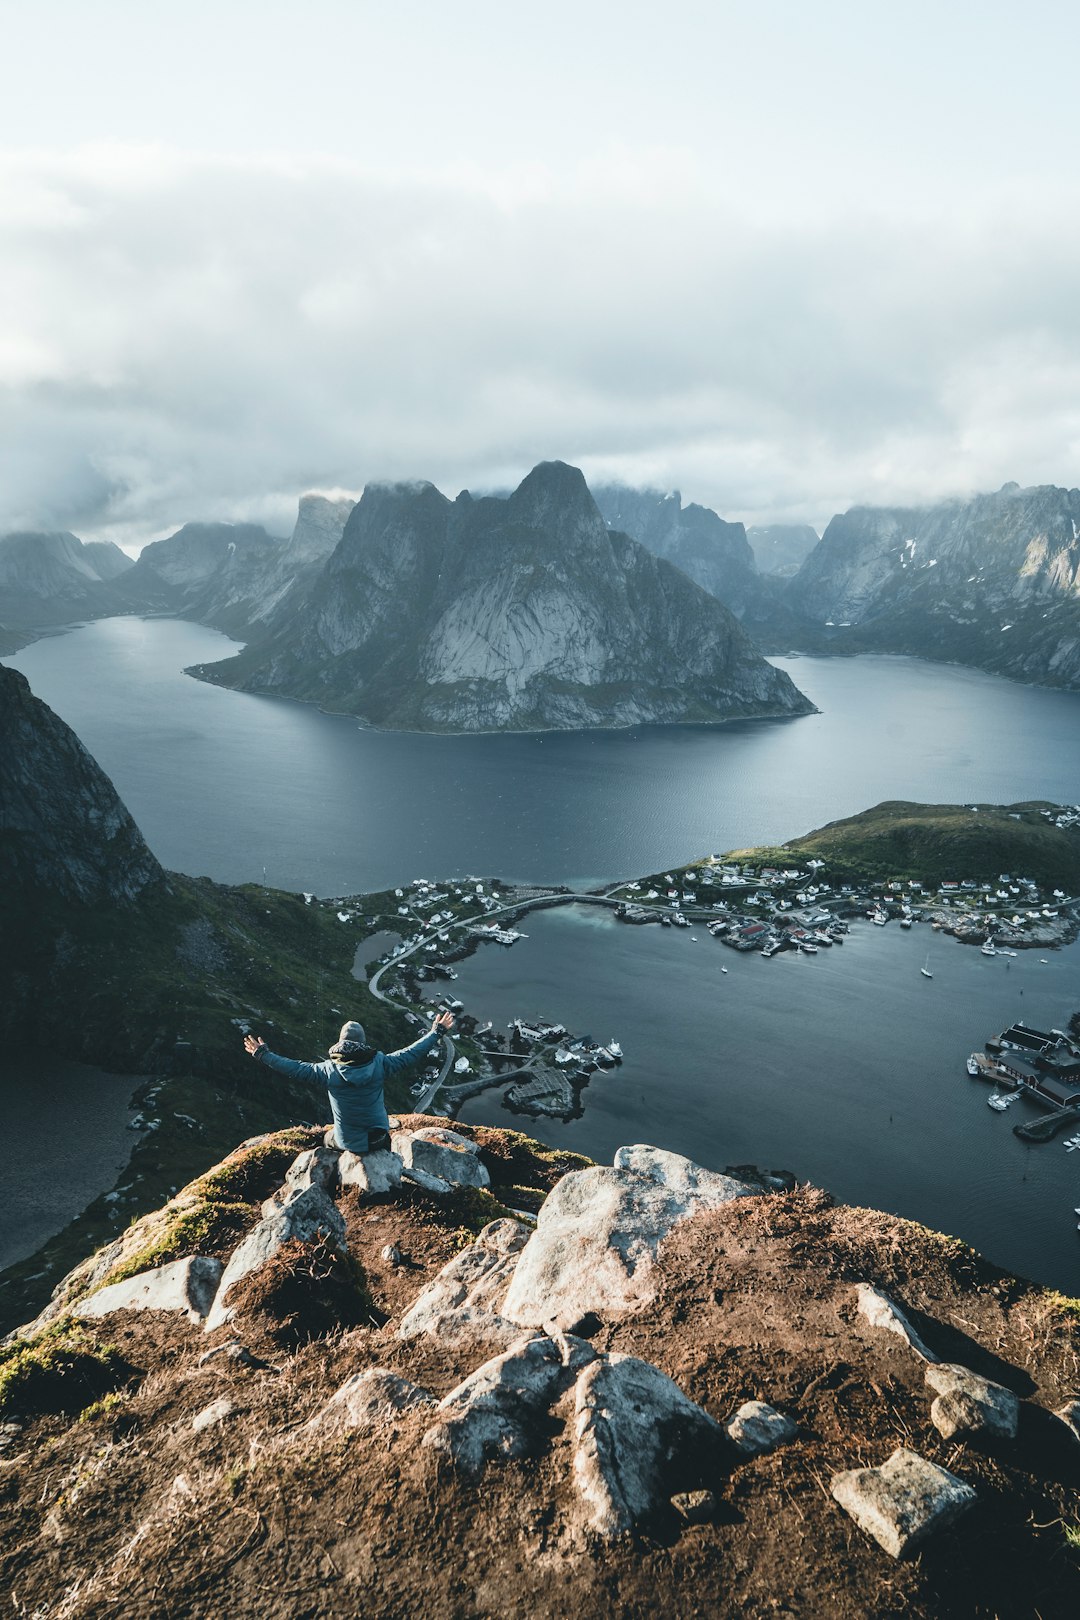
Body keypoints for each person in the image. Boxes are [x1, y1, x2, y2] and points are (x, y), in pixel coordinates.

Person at [243, 1010, 455, 1154]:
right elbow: (411, 1053)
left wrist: (263, 1055)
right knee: (385, 1144)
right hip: (379, 1138)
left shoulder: (327, 1070)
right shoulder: (381, 1063)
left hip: (348, 1142)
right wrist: (436, 1032)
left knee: (326, 1138)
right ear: (362, 1042)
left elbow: (294, 1068)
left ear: (340, 1042)